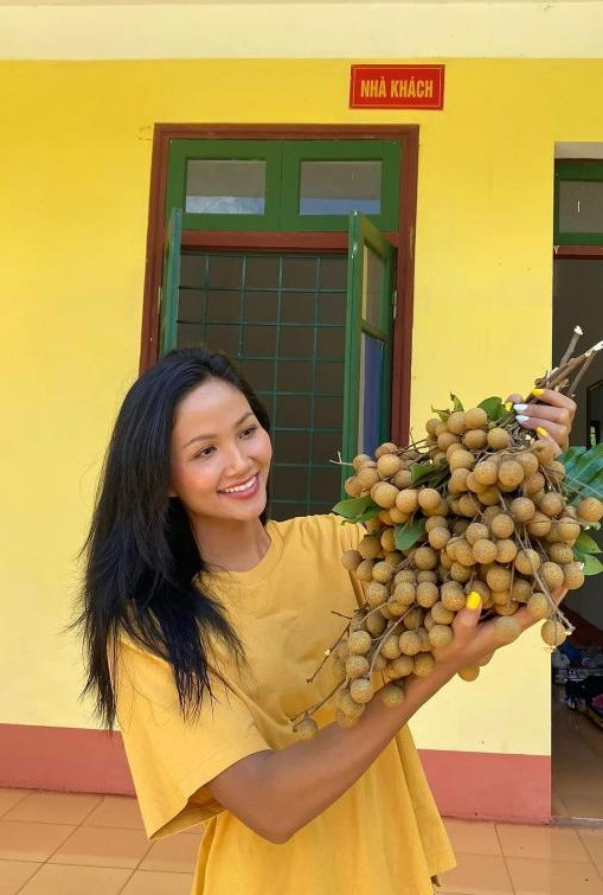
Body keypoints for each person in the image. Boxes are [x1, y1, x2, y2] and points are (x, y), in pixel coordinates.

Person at [77, 347, 576, 895]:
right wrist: (429, 675)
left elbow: (476, 596)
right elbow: (269, 805)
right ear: (164, 478)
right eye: (204, 452)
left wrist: (528, 466)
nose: (240, 462)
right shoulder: (150, 627)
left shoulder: (340, 546)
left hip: (394, 868)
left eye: (246, 432)